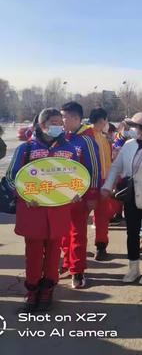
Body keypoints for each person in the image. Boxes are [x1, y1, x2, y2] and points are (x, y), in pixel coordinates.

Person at [6, 108, 79, 311]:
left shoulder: (69, 150)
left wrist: (76, 192)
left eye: (60, 122)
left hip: (58, 210)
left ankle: (48, 289)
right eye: (54, 121)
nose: (59, 125)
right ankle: (32, 290)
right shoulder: (26, 149)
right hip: (33, 211)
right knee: (34, 252)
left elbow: (77, 178)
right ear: (42, 124)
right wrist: (25, 196)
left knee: (55, 251)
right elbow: (11, 178)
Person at [102, 113, 142, 285]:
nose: (131, 130)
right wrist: (107, 187)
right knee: (132, 233)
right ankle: (133, 268)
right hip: (130, 196)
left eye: (135, 126)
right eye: (131, 126)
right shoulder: (128, 145)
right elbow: (116, 167)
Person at [60, 101, 102, 289]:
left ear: (76, 118)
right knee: (62, 233)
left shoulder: (87, 140)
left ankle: (77, 271)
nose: (61, 121)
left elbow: (94, 169)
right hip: (60, 196)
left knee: (77, 233)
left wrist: (92, 195)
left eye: (64, 117)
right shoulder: (62, 139)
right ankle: (67, 263)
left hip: (80, 196)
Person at [89, 108, 113, 261]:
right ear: (103, 120)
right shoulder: (88, 136)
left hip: (101, 181)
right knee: (98, 217)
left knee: (101, 216)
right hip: (93, 182)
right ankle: (100, 247)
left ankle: (100, 246)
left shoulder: (103, 138)